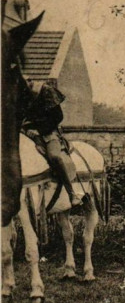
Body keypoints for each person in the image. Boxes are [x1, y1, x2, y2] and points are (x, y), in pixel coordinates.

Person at [21, 79, 83, 207]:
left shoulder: (45, 90)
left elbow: (57, 117)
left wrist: (39, 130)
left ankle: (71, 193)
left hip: (48, 132)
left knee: (54, 157)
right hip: (27, 133)